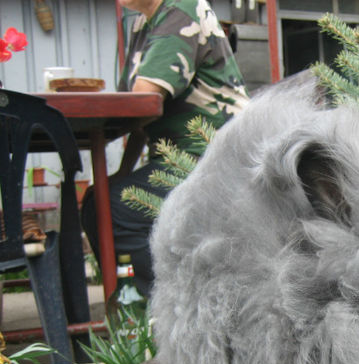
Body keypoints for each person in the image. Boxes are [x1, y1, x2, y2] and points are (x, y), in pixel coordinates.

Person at [81, 0, 248, 296]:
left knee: (113, 209)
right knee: (101, 201)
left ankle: (159, 310)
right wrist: (124, 171)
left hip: (215, 158)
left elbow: (144, 95)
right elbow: (134, 110)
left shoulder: (181, 9)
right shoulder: (143, 23)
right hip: (182, 160)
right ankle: (132, 301)